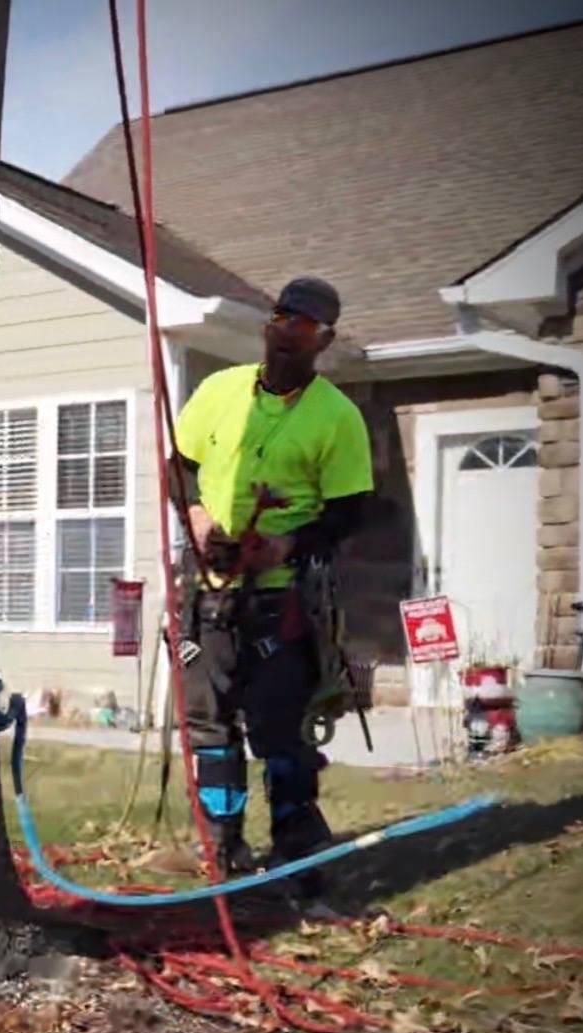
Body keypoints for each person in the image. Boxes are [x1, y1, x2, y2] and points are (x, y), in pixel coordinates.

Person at [170, 276, 374, 881]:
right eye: (283, 319)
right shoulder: (219, 391)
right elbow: (177, 468)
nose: (289, 334)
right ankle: (221, 847)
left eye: (305, 327)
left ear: (325, 340)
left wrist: (284, 543)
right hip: (207, 589)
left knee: (278, 724)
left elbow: (349, 512)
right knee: (208, 719)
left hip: (283, 593)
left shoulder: (336, 417)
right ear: (267, 325)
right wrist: (200, 517)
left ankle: (295, 847)